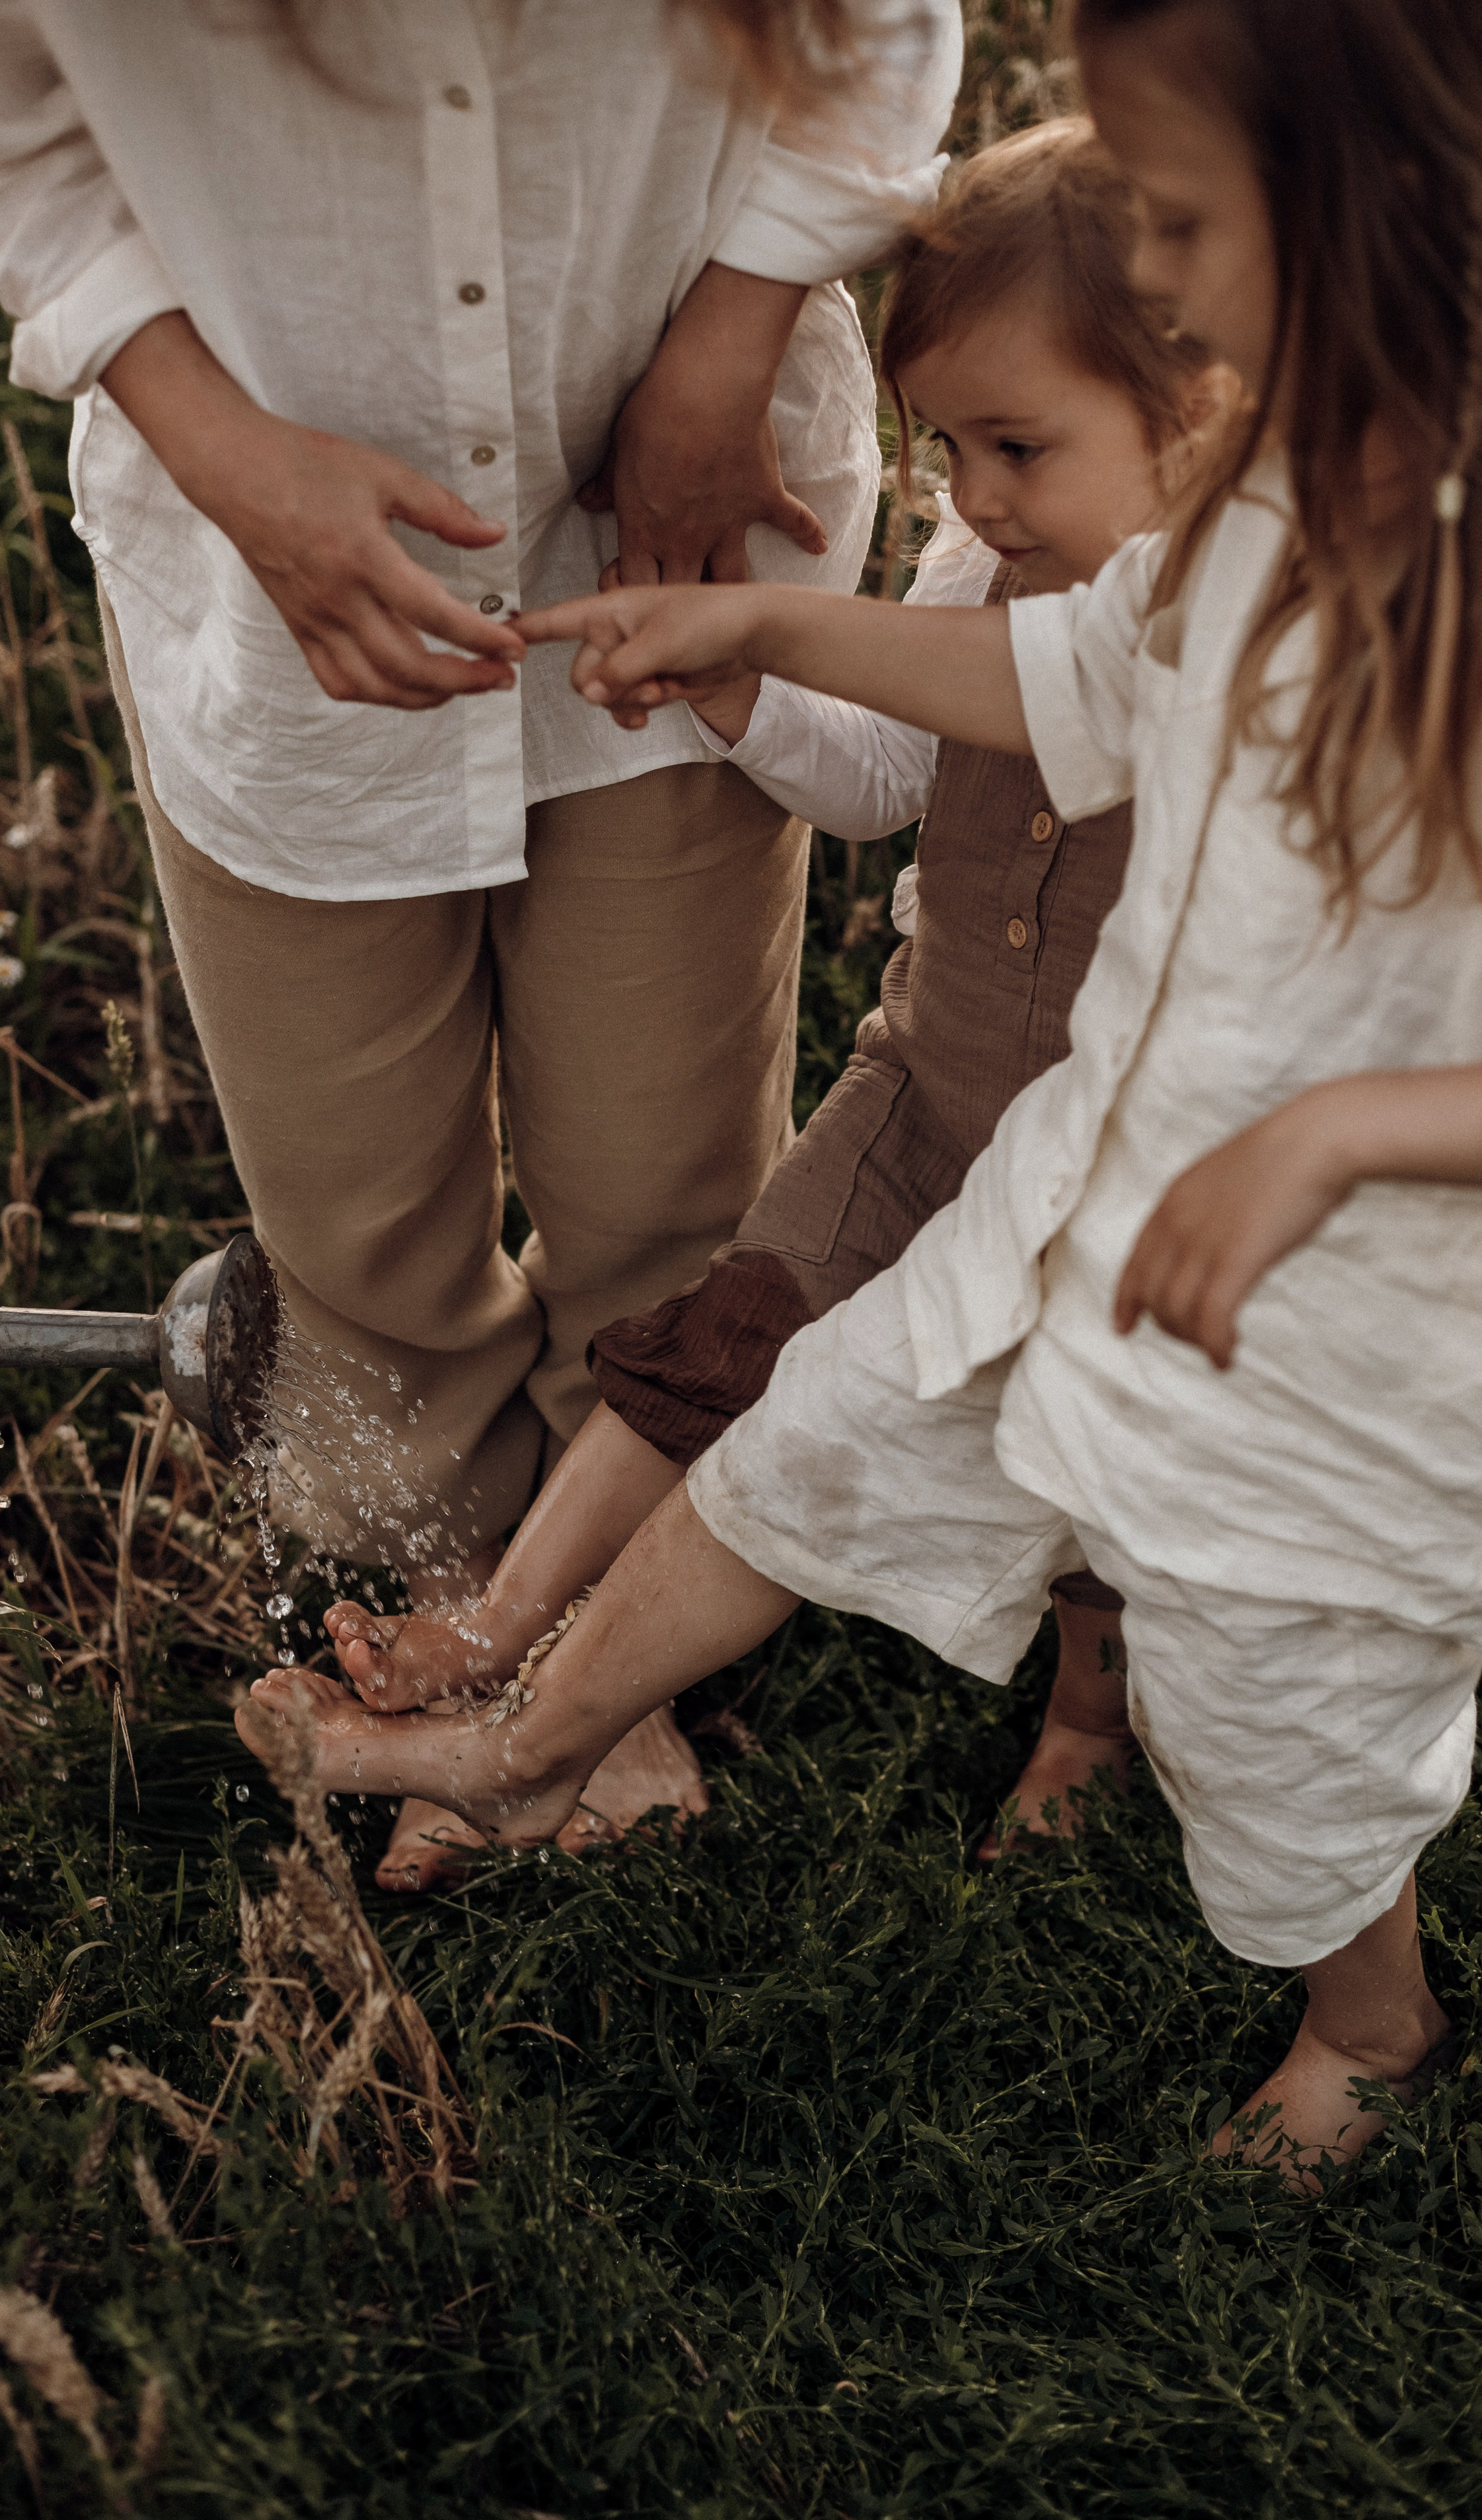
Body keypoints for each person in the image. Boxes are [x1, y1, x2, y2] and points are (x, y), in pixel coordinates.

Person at [244, 0, 1482, 2184]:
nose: (1169, 274)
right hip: (1078, 1179)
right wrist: (771, 638)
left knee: (1268, 1718)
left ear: (1362, 201)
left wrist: (1336, 1133)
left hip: (1338, 1326)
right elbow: (1060, 680)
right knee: (797, 1447)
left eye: (1190, 217)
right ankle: (534, 1747)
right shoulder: (1258, 504)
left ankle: (1371, 2027)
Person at [0, 0, 962, 1887]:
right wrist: (227, 458)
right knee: (358, 1212)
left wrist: (726, 342)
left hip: (675, 522)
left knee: (664, 1168)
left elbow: (878, 19)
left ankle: (612, 1657)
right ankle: (444, 1622)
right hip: (265, 591)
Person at [288, 116, 1233, 1888]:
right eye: (951, 445)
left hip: (1140, 1156)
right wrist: (744, 694)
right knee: (720, 1343)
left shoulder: (1249, 635)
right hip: (924, 1096)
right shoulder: (979, 566)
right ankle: (506, 1627)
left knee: (1119, 1449)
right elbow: (879, 774)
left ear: (1203, 416)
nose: (979, 495)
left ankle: (1091, 1712)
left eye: (1021, 445)